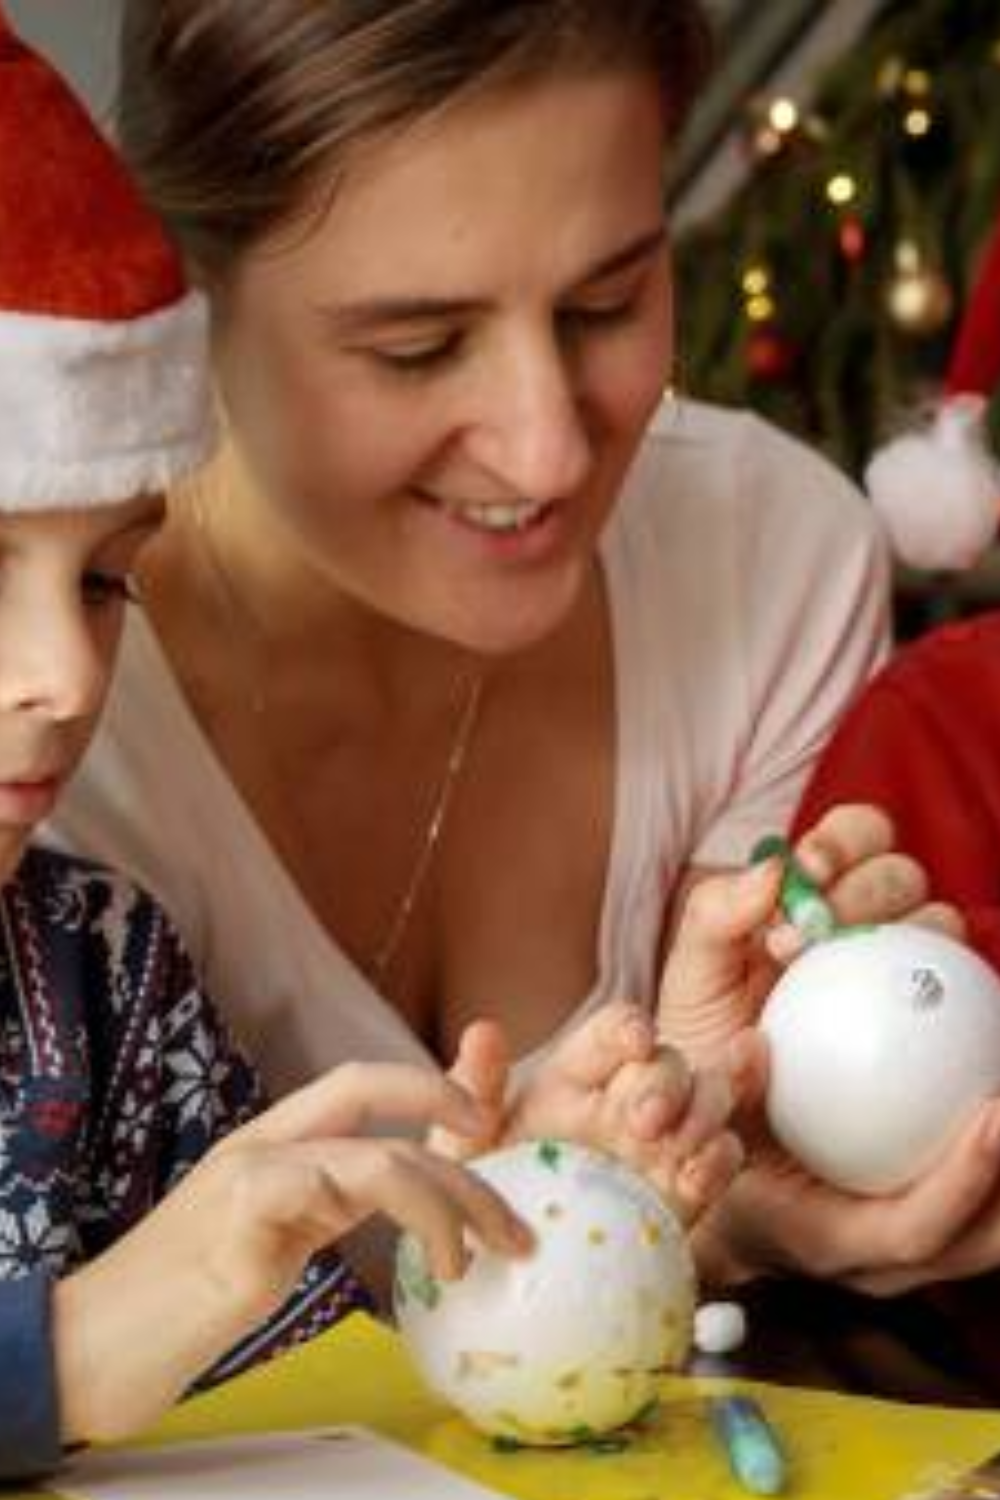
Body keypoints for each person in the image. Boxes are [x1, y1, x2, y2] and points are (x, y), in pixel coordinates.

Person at [47, 0, 1000, 1310]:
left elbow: (637, 1245)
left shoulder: (768, 560)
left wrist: (723, 1204)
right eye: (417, 347)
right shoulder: (46, 709)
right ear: (186, 298)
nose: (548, 450)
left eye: (607, 303)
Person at [0, 13, 746, 1477]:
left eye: (103, 581)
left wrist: (494, 1239)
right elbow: (128, 1345)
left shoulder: (110, 966)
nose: (66, 675)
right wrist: (74, 1350)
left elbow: (293, 1396)